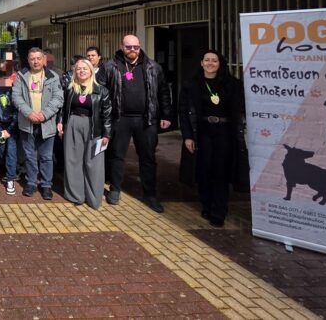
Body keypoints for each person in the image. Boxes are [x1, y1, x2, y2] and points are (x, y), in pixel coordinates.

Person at [100, 34, 173, 213]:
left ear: (139, 47)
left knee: (148, 158)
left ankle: (150, 194)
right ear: (122, 47)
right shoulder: (110, 66)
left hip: (146, 119)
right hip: (120, 118)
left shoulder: (152, 67)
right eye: (128, 47)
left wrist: (167, 114)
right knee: (116, 156)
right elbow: (101, 92)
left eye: (135, 47)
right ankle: (115, 189)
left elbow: (163, 91)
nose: (132, 50)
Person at [179, 50, 244, 226]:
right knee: (203, 170)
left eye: (214, 60)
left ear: (220, 63)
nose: (210, 63)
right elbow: (184, 112)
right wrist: (187, 137)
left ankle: (219, 210)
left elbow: (240, 110)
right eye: (206, 60)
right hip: (201, 132)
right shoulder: (191, 84)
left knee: (221, 171)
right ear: (201, 63)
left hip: (224, 132)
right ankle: (206, 205)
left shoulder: (232, 84)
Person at [13, 47, 64, 200]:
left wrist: (44, 114)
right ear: (28, 60)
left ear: (44, 59)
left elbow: (58, 99)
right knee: (29, 156)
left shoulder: (53, 77)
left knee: (46, 156)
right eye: (32, 59)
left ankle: (47, 185)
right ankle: (31, 182)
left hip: (46, 123)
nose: (35, 61)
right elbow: (16, 97)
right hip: (27, 122)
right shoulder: (21, 76)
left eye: (38, 58)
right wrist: (29, 113)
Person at [60, 58, 112, 209]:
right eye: (78, 69)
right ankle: (76, 195)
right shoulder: (70, 88)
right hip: (73, 124)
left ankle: (94, 198)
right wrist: (60, 122)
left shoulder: (101, 90)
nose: (81, 71)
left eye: (85, 68)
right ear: (75, 71)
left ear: (91, 71)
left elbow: (107, 114)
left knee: (94, 163)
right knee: (73, 160)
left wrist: (106, 135)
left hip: (94, 127)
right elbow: (63, 108)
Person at [0, 77, 19, 195]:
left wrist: (9, 130)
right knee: (2, 150)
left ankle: (10, 179)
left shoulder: (15, 91)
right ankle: (5, 171)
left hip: (12, 126)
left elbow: (18, 112)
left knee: (11, 152)